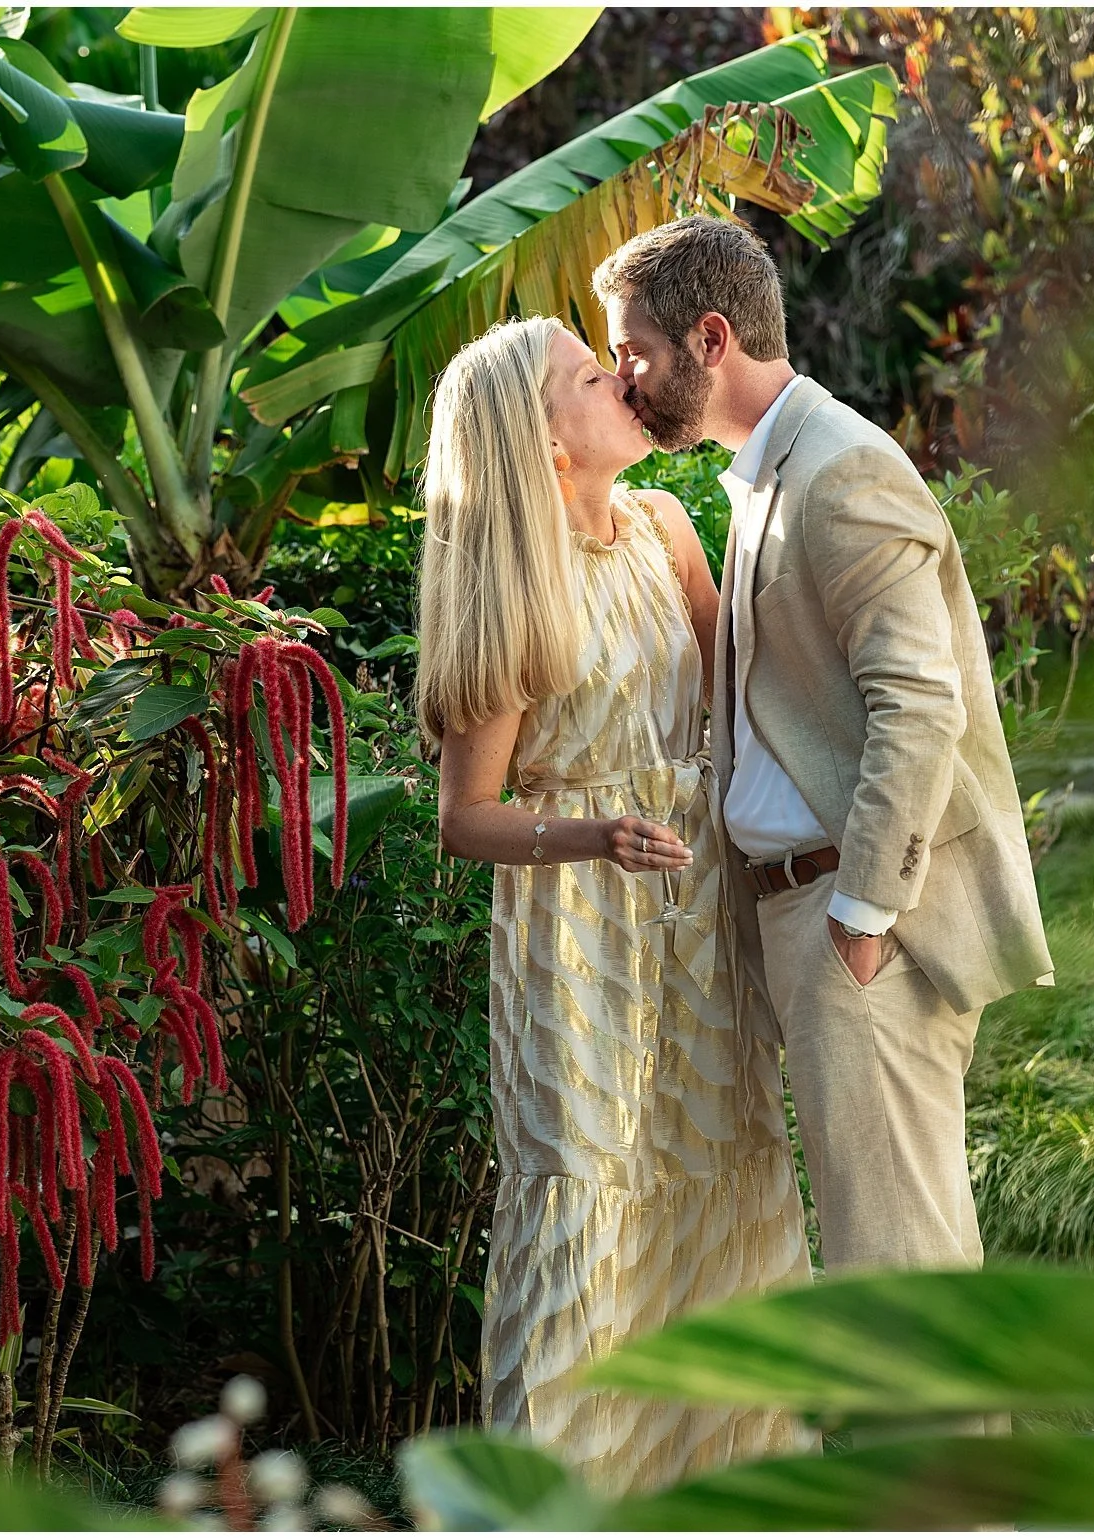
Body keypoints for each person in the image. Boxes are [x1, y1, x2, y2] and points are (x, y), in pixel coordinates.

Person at [592, 215, 1054, 1284]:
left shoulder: (840, 470)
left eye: (634, 351)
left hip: (857, 921)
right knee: (883, 1253)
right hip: (806, 913)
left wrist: (861, 915)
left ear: (711, 339)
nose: (624, 378)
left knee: (896, 1263)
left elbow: (919, 704)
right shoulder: (772, 470)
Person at [415, 315, 815, 1495]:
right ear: (545, 442)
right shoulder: (513, 590)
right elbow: (464, 817)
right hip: (577, 936)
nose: (624, 381)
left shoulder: (664, 530)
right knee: (586, 1197)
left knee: (720, 1172)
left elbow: (750, 695)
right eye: (593, 377)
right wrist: (593, 834)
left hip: (697, 913)